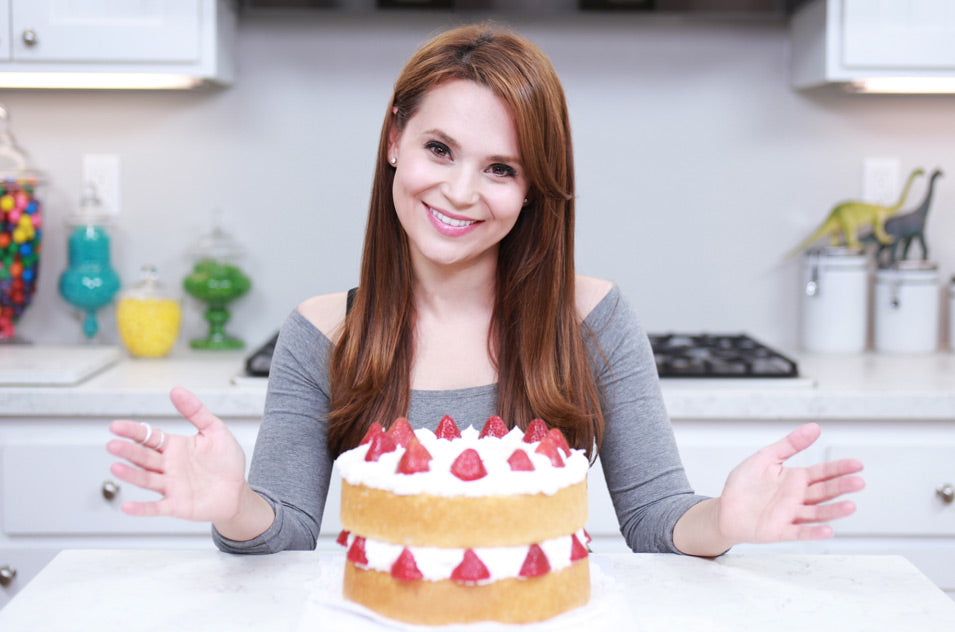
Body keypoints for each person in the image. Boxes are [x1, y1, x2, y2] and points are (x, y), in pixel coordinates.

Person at [106, 22, 864, 557]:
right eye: (440, 148)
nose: (461, 191)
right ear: (393, 140)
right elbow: (287, 529)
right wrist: (232, 506)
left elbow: (658, 517)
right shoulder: (322, 331)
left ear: (535, 188)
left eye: (500, 168)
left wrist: (723, 519)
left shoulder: (592, 318)